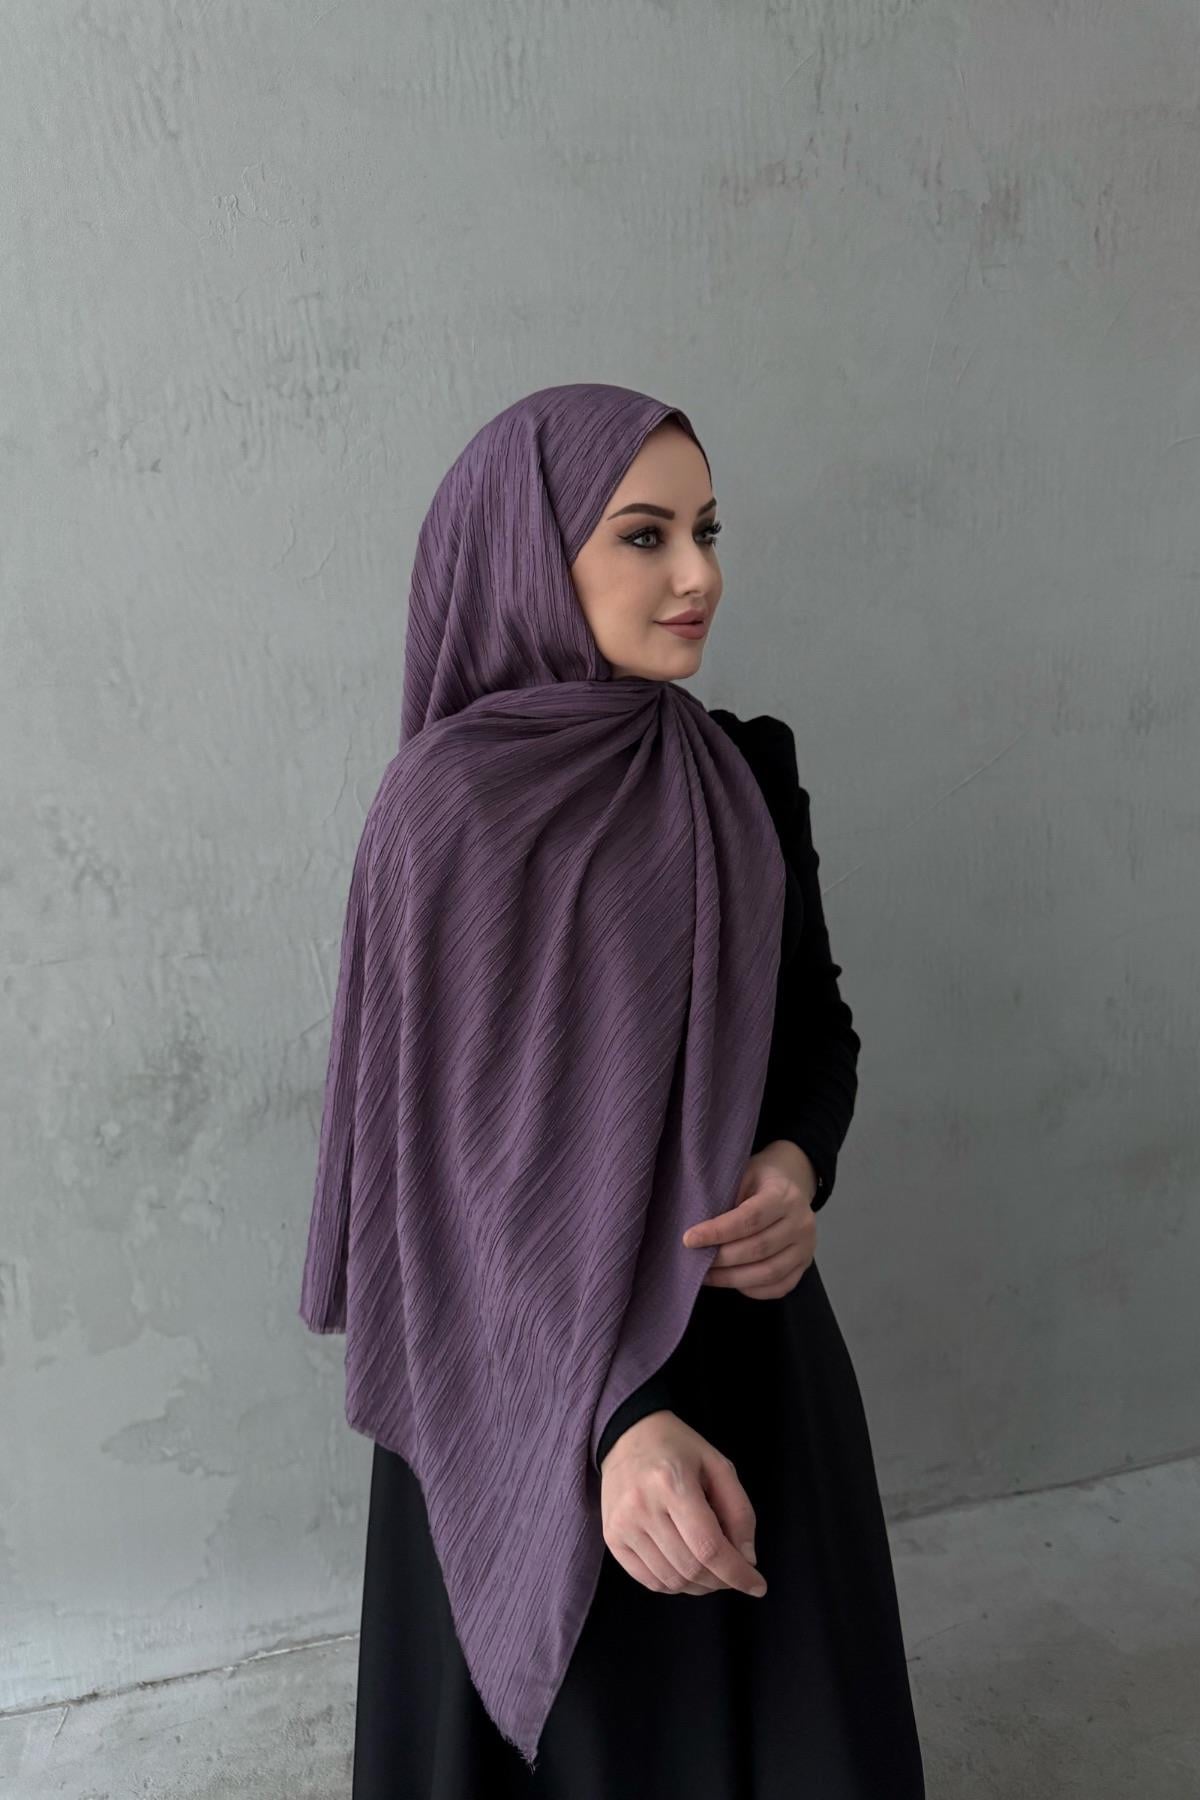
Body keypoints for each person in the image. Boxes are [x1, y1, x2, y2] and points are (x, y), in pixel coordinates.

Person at [300, 383, 926, 1797]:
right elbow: (438, 1181)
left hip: (744, 1349)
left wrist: (795, 1168)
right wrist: (614, 1418)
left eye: (708, 530)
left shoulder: (743, 773)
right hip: (513, 1368)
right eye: (644, 535)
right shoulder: (445, 813)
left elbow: (816, 1033)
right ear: (531, 553)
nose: (698, 574)